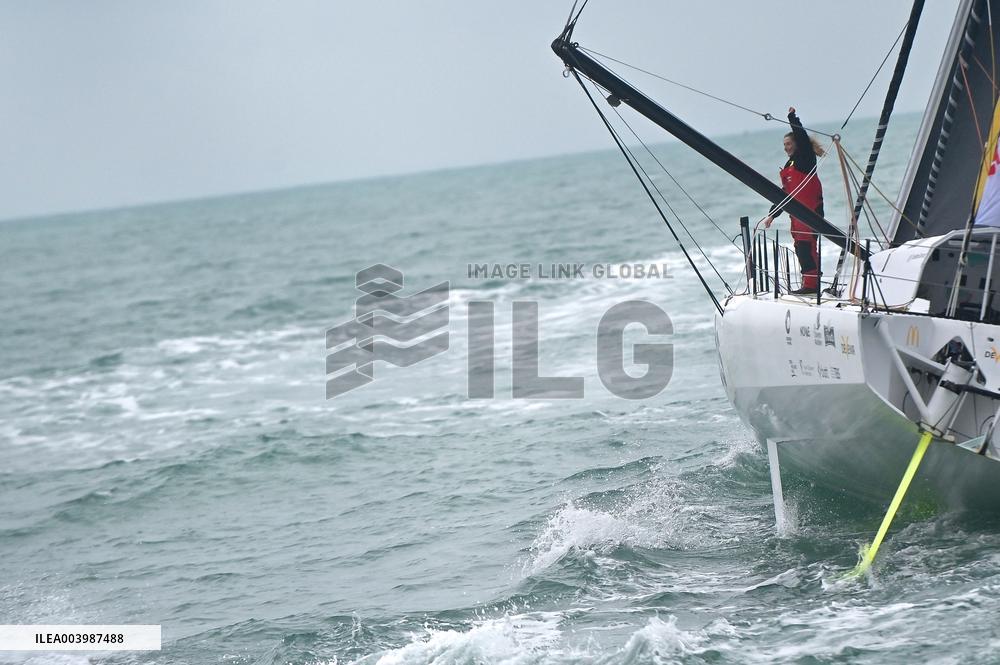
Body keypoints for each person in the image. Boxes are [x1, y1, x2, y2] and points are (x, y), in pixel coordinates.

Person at [763, 107, 825, 295]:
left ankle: (812, 285)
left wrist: (792, 119)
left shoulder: (805, 158)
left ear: (797, 144)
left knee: (807, 247)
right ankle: (809, 283)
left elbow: (802, 137)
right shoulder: (790, 164)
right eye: (784, 145)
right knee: (800, 247)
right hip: (796, 215)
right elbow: (785, 193)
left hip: (811, 210)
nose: (786, 147)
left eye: (789, 143)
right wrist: (772, 215)